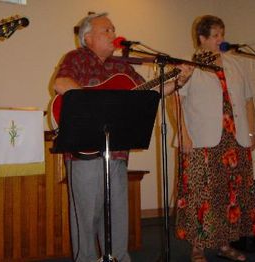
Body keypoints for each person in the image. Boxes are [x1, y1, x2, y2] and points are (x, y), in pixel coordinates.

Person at [52, 12, 191, 262]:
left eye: (113, 29)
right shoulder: (76, 58)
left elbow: (152, 93)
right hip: (84, 151)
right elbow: (61, 84)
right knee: (85, 216)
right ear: (88, 37)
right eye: (107, 30)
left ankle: (119, 258)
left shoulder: (123, 67)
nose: (113, 34)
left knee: (116, 215)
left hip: (116, 152)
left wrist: (178, 80)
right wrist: (96, 105)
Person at [175, 15, 255, 262]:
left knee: (230, 192)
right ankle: (197, 247)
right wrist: (183, 134)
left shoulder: (236, 64)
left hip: (235, 139)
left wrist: (251, 132)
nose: (221, 39)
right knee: (200, 195)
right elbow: (175, 101)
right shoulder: (190, 66)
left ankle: (224, 244)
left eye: (222, 34)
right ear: (202, 39)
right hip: (203, 140)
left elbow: (248, 100)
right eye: (215, 36)